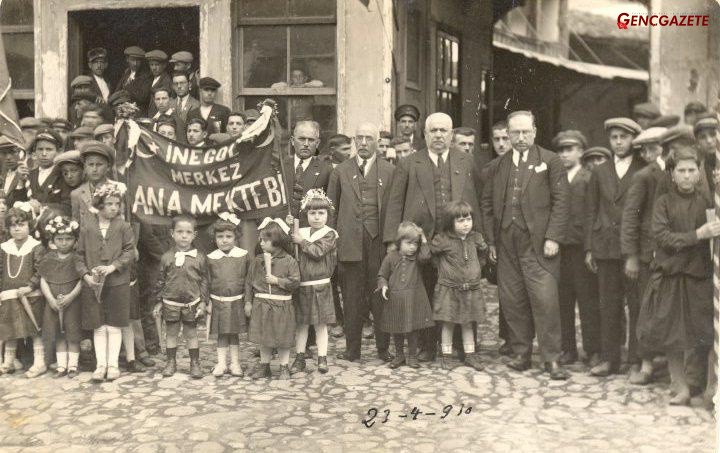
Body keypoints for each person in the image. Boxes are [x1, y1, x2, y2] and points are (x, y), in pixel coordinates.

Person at [384, 112, 481, 363]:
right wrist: (391, 242)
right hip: (422, 241)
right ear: (424, 134)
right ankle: (427, 346)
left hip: (457, 242)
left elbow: (476, 202)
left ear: (452, 135)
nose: (439, 135)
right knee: (424, 293)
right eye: (433, 131)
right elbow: (395, 203)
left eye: (444, 131)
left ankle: (464, 347)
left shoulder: (466, 161)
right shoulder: (409, 163)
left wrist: (479, 237)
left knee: (460, 290)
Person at [480, 110, 569, 380]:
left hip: (539, 242)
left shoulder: (550, 161)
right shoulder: (498, 165)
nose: (520, 138)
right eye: (514, 133)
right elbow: (486, 204)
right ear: (507, 134)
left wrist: (554, 236)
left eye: (525, 132)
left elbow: (562, 201)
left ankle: (552, 358)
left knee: (545, 300)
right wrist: (491, 241)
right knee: (512, 299)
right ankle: (521, 353)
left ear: (534, 132)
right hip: (507, 242)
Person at [637, 147, 715, 406]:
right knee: (674, 334)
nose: (687, 176)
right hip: (672, 275)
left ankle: (698, 382)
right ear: (671, 174)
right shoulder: (664, 203)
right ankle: (679, 385)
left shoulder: (707, 201)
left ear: (698, 173)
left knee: (702, 330)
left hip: (699, 275)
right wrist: (697, 235)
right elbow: (663, 237)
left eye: (692, 170)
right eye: (681, 170)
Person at [328, 122, 395, 363]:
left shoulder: (389, 171)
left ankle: (382, 349)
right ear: (354, 142)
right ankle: (352, 350)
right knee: (352, 297)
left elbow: (394, 209)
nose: (363, 143)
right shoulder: (341, 171)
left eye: (368, 138)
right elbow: (331, 209)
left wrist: (391, 242)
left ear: (377, 141)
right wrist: (333, 240)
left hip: (378, 242)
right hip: (349, 242)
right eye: (359, 138)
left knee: (380, 296)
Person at [585, 117, 645, 377]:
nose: (619, 142)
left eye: (624, 137)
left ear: (634, 139)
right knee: (608, 305)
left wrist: (636, 252)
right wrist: (589, 248)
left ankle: (635, 360)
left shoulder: (644, 169)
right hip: (605, 248)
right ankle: (611, 359)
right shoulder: (600, 171)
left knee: (636, 305)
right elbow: (591, 211)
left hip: (633, 250)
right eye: (614, 138)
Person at [620, 127, 673, 385]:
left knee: (670, 308)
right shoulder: (643, 176)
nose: (649, 153)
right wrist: (631, 255)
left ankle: (669, 364)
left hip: (674, 252)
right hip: (647, 255)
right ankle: (645, 364)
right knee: (645, 308)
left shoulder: (680, 171)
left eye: (653, 147)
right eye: (646, 149)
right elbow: (630, 217)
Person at [75, 183, 134, 382]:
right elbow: (79, 256)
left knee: (114, 325)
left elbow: (129, 251)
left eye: (117, 204)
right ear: (99, 205)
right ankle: (100, 366)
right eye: (109, 204)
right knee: (98, 326)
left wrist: (112, 267)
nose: (113, 208)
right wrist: (86, 277)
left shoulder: (123, 226)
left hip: (118, 282)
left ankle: (113, 365)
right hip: (93, 284)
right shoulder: (87, 227)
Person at [553, 130, 601, 367]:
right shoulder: (556, 177)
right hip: (560, 249)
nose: (564, 154)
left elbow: (593, 214)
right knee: (563, 301)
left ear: (581, 151)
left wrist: (590, 249)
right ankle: (567, 348)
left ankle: (592, 350)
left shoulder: (589, 177)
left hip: (581, 249)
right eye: (561, 150)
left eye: (569, 149)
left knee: (587, 300)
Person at [429, 202, 487, 371]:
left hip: (470, 289)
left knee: (468, 322)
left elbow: (482, 253)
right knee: (448, 323)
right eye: (460, 221)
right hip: (449, 289)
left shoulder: (475, 238)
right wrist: (442, 269)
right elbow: (431, 254)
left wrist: (478, 266)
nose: (466, 224)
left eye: (468, 219)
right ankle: (446, 356)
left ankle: (470, 355)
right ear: (450, 222)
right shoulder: (443, 240)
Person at [153, 215, 209, 379]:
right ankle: (171, 362)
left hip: (191, 302)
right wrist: (158, 302)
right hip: (171, 302)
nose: (184, 236)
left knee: (191, 333)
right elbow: (160, 281)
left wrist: (203, 302)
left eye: (188, 232)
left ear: (194, 235)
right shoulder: (166, 257)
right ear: (172, 233)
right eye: (179, 232)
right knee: (171, 333)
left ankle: (194, 363)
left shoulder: (199, 258)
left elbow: (204, 280)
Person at [288, 189, 337, 374]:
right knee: (301, 324)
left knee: (320, 324)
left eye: (321, 213)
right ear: (306, 214)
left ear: (327, 215)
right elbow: (287, 245)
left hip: (320, 285)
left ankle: (322, 358)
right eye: (312, 213)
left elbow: (317, 252)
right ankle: (300, 358)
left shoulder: (330, 234)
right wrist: (289, 227)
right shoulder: (300, 232)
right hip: (302, 286)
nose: (316, 217)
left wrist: (301, 242)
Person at [246, 218, 300, 380]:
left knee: (283, 338)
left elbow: (295, 281)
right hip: (262, 304)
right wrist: (248, 302)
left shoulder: (289, 261)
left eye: (265, 240)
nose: (261, 243)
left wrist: (277, 281)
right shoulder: (258, 260)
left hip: (281, 305)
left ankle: (284, 366)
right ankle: (265, 366)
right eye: (260, 239)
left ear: (277, 241)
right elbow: (249, 282)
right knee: (264, 338)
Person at [378, 221, 433, 369]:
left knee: (413, 329)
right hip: (395, 299)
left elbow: (426, 256)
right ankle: (399, 355)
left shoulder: (417, 258)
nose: (412, 247)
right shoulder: (390, 257)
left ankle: (413, 356)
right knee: (397, 328)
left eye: (415, 244)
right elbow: (382, 275)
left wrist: (424, 239)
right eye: (408, 243)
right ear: (399, 241)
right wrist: (383, 286)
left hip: (413, 298)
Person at [0, 204, 46, 377]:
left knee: (34, 328)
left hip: (30, 296)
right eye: (13, 225)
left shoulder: (36, 247)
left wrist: (30, 286)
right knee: (9, 329)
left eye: (21, 224)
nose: (17, 228)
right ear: (8, 228)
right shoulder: (4, 248)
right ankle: (8, 362)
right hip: (8, 295)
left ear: (29, 226)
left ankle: (39, 362)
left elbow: (40, 269)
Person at [39, 216, 82, 378]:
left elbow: (81, 280)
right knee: (58, 333)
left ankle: (73, 366)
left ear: (75, 240)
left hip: (72, 302)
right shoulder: (49, 258)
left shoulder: (77, 258)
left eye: (68, 239)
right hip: (53, 303)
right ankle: (61, 366)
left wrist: (70, 297)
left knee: (72, 332)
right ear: (53, 240)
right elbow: (43, 279)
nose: (64, 243)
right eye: (60, 239)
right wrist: (50, 299)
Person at [207, 214, 249, 378]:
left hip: (237, 301)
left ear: (236, 237)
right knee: (222, 333)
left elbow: (247, 279)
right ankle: (222, 363)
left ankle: (235, 363)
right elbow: (207, 280)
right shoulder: (211, 258)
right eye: (220, 237)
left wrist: (247, 301)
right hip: (218, 302)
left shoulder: (243, 256)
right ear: (215, 238)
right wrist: (207, 301)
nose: (224, 240)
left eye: (228, 236)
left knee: (234, 333)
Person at [283, 121, 333, 222]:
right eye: (301, 139)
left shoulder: (326, 170)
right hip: (281, 230)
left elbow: (330, 208)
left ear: (317, 143)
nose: (306, 144)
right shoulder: (280, 167)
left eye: (311, 140)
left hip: (310, 231)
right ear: (292, 141)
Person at [71, 141, 125, 226]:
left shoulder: (119, 188)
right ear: (85, 167)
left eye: (99, 164)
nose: (94, 169)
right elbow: (76, 224)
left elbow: (124, 220)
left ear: (108, 167)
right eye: (90, 165)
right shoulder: (76, 194)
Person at [115, 46, 152, 117]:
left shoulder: (146, 76)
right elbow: (117, 91)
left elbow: (142, 97)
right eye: (132, 60)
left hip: (137, 114)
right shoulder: (126, 73)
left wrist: (126, 91)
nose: (135, 63)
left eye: (138, 60)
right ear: (127, 59)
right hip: (122, 113)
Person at [51, 150, 83, 216]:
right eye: (65, 172)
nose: (69, 176)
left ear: (83, 170)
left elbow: (68, 209)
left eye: (74, 171)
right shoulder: (62, 187)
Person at [145, 50, 173, 117]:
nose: (154, 68)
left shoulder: (166, 81)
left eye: (157, 65)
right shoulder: (150, 78)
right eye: (151, 65)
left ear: (164, 65)